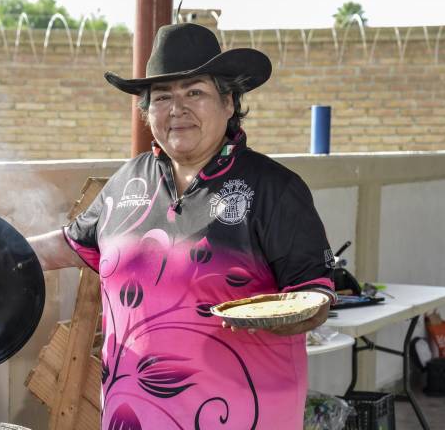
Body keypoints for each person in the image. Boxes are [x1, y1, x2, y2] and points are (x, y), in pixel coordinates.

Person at [28, 23, 336, 430]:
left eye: (195, 92)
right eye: (162, 97)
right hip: (133, 414)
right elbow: (72, 244)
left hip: (243, 413)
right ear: (146, 111)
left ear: (229, 102)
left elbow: (312, 294)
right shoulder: (129, 180)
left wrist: (290, 313)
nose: (177, 109)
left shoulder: (275, 189)